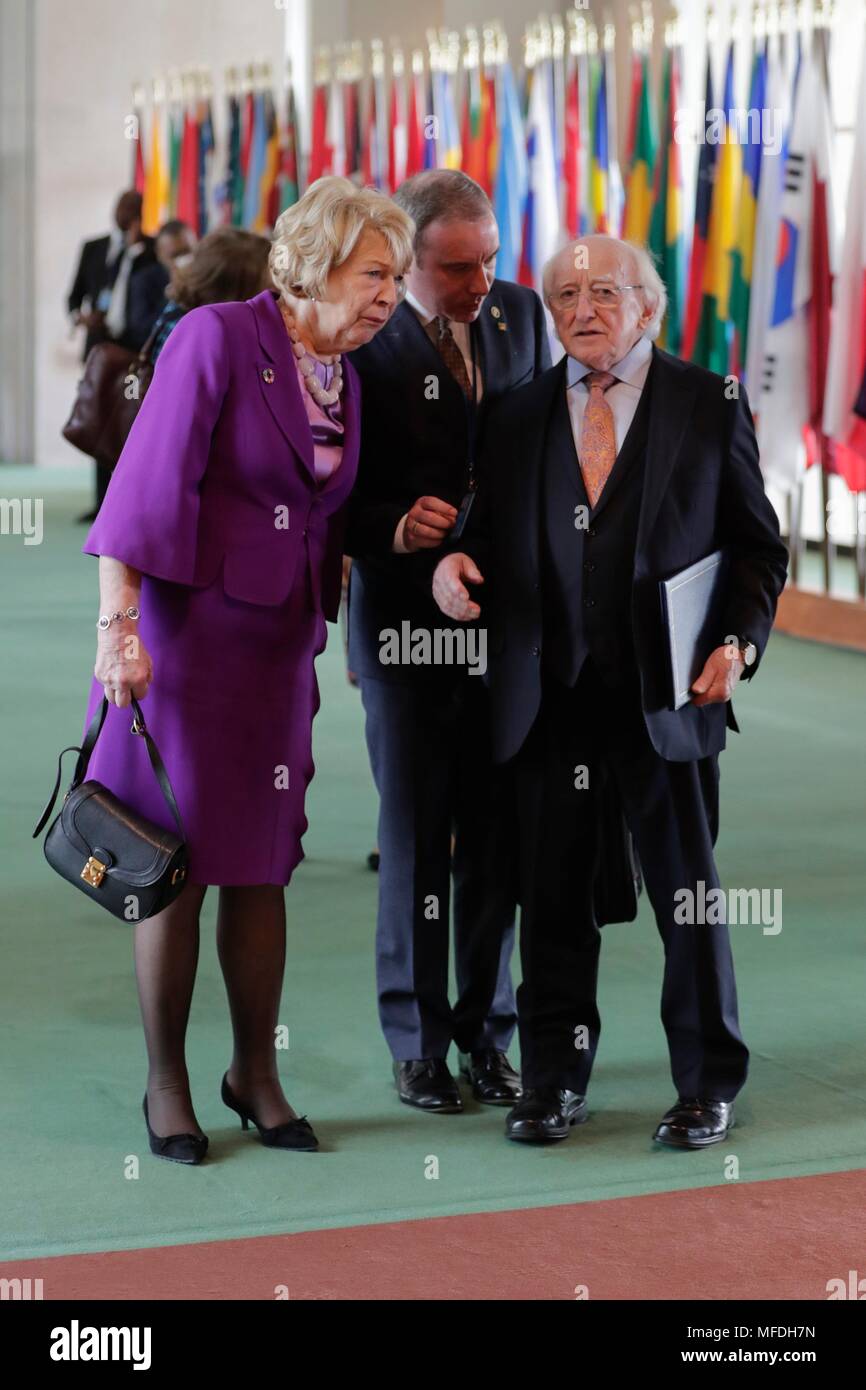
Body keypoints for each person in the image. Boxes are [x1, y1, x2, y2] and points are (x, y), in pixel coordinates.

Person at [80, 177, 414, 1164]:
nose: (387, 295)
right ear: (314, 265)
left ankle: (254, 1075)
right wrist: (119, 629)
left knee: (262, 866)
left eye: (395, 278)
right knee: (175, 867)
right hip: (189, 646)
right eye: (372, 274)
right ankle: (167, 1084)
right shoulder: (219, 338)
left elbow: (324, 517)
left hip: (278, 653)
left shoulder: (346, 374)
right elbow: (144, 489)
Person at [432, 234, 789, 1148]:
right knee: (551, 901)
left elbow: (756, 547)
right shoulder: (512, 416)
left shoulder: (709, 404)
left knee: (689, 901)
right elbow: (480, 537)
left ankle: (707, 1084)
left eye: (603, 292)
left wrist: (737, 646)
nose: (583, 311)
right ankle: (552, 1082)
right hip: (546, 700)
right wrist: (453, 566)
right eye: (563, 297)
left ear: (649, 305)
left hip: (667, 697)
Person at [345, 170, 551, 1115]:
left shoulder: (520, 315)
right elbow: (330, 496)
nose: (481, 285)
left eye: (492, 262)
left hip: (503, 625)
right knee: (419, 836)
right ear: (411, 253)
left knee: (497, 840)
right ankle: (417, 1042)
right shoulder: (364, 333)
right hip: (401, 618)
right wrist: (400, 536)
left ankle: (487, 1034)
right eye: (457, 268)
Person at [67, 190, 169, 519]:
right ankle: (100, 502)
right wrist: (80, 318)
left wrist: (137, 249)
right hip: (102, 349)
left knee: (130, 422)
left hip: (135, 351)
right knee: (100, 418)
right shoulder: (94, 249)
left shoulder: (153, 252)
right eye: (121, 208)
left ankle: (125, 501)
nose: (125, 214)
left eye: (132, 209)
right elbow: (73, 297)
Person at [148, 226, 272, 364]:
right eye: (264, 286)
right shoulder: (197, 335)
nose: (271, 295)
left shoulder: (185, 304)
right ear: (233, 293)